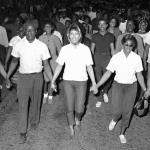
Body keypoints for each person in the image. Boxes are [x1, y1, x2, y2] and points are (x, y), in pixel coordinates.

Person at [91, 34, 146, 144]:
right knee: (117, 111)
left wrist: (145, 89)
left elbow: (139, 75)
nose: (128, 48)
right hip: (118, 86)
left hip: (132, 87)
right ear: (122, 44)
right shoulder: (116, 57)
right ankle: (115, 119)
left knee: (127, 111)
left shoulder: (136, 58)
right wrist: (97, 85)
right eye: (126, 45)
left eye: (131, 45)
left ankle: (122, 132)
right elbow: (108, 73)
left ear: (134, 46)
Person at [6, 21, 53, 143]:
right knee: (22, 104)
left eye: (31, 30)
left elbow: (46, 65)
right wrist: (7, 76)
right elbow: (14, 62)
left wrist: (53, 80)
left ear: (36, 31)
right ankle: (22, 132)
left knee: (36, 101)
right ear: (24, 31)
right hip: (23, 78)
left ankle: (34, 121)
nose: (29, 32)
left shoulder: (42, 46)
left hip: (38, 77)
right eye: (27, 30)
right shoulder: (19, 45)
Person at [51, 24, 97, 137]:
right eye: (71, 34)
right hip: (68, 81)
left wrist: (95, 83)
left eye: (76, 33)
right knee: (69, 105)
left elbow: (89, 67)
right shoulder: (64, 49)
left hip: (82, 81)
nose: (74, 36)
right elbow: (59, 66)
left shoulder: (86, 49)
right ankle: (71, 125)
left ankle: (78, 118)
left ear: (80, 35)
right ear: (68, 36)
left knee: (80, 107)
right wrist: (53, 80)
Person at [91, 18, 115, 107]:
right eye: (100, 24)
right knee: (98, 77)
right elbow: (92, 49)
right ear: (98, 26)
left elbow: (112, 49)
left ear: (106, 25)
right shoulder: (95, 35)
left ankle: (105, 91)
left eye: (103, 24)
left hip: (107, 57)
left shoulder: (111, 36)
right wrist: (91, 60)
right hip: (97, 57)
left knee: (108, 77)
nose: (102, 26)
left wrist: (114, 59)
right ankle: (100, 98)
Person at [39, 21, 62, 103]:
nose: (48, 28)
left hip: (54, 61)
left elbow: (60, 50)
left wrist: (60, 62)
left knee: (53, 79)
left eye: (49, 26)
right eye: (46, 27)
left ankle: (50, 95)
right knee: (45, 80)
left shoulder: (56, 38)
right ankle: (45, 94)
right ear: (44, 28)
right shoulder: (40, 38)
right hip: (44, 61)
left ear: (52, 28)